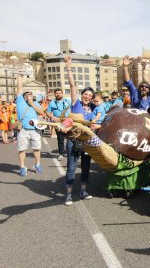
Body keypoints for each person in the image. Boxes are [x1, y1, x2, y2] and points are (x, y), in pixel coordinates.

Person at [64, 56, 98, 206]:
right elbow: (72, 85)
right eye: (85, 94)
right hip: (73, 142)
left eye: (90, 96)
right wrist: (69, 67)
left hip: (86, 143)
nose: (87, 96)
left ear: (92, 99)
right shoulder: (75, 103)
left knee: (85, 169)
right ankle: (68, 195)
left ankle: (83, 191)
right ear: (82, 94)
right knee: (71, 169)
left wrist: (96, 126)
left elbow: (95, 125)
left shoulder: (92, 110)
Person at [15, 74, 45, 176]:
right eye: (26, 94)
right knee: (22, 149)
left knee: (37, 148)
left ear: (33, 96)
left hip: (35, 130)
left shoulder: (36, 103)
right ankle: (22, 167)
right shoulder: (20, 102)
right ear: (23, 97)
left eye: (30, 94)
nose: (28, 95)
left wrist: (32, 103)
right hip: (23, 130)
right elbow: (19, 88)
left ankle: (37, 164)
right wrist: (19, 77)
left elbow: (42, 112)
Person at [46, 88, 71, 160]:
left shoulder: (68, 101)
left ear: (62, 93)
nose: (58, 94)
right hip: (58, 123)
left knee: (71, 138)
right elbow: (47, 113)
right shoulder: (52, 103)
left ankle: (71, 153)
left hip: (68, 122)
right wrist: (53, 117)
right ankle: (61, 154)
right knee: (60, 139)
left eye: (60, 93)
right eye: (57, 93)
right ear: (55, 94)